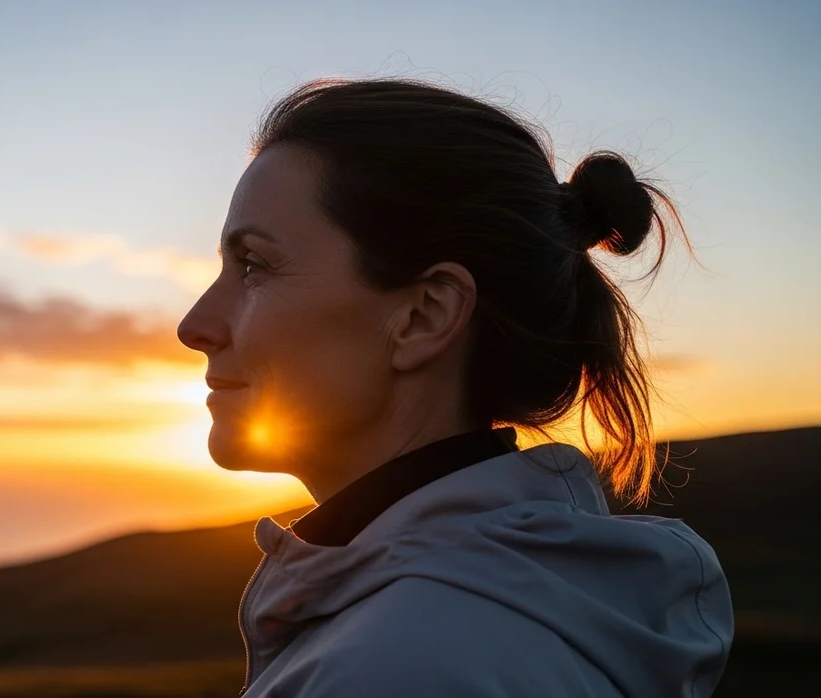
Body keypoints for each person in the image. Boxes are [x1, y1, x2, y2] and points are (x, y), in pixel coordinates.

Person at [176, 78, 733, 698]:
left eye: (254, 264)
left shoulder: (393, 668)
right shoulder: (540, 602)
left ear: (424, 317)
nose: (193, 326)